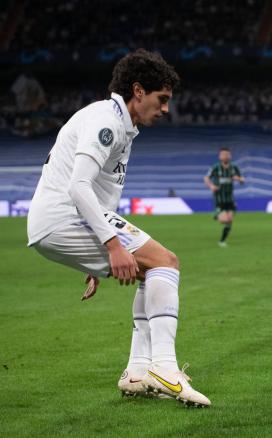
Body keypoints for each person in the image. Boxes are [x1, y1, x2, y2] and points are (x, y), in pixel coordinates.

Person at [26, 49, 211, 407]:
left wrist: (98, 254)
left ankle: (138, 372)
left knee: (149, 271)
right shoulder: (106, 121)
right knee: (166, 262)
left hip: (60, 222)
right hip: (64, 216)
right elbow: (78, 186)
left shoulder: (121, 125)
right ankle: (165, 368)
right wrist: (112, 244)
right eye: (162, 99)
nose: (166, 109)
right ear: (138, 91)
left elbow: (98, 195)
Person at [203, 147, 244, 247]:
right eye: (223, 154)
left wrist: (238, 178)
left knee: (229, 220)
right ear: (220, 156)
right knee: (224, 220)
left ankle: (222, 241)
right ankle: (216, 215)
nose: (225, 156)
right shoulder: (215, 167)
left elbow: (242, 180)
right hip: (219, 199)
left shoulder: (234, 168)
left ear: (230, 156)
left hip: (230, 199)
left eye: (227, 154)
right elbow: (206, 178)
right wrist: (211, 186)